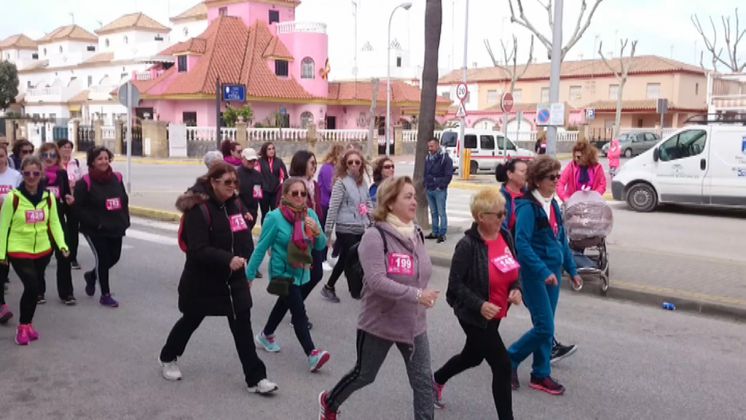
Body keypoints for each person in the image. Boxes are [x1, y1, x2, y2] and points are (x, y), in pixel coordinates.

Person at [318, 176, 439, 420]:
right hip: (379, 323)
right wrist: (416, 295)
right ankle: (329, 401)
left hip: (413, 324)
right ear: (390, 203)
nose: (414, 201)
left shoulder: (416, 233)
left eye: (414, 196)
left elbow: (419, 273)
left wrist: (421, 295)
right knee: (365, 374)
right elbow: (376, 281)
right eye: (407, 197)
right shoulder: (375, 236)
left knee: (424, 382)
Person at [432, 188, 522, 418]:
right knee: (502, 365)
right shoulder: (467, 246)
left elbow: (514, 269)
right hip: (473, 316)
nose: (504, 217)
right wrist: (480, 304)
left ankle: (436, 380)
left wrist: (516, 289)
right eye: (499, 214)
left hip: (497, 312)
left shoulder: (505, 236)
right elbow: (454, 287)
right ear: (481, 217)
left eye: (505, 213)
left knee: (472, 356)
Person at [507, 156, 583, 396]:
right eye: (552, 177)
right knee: (544, 327)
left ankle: (540, 373)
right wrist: (542, 271)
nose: (557, 180)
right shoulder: (528, 207)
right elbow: (522, 244)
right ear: (538, 180)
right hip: (535, 275)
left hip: (553, 273)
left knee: (545, 327)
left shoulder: (552, 203)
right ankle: (509, 358)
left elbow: (561, 239)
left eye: (558, 176)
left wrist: (571, 269)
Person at [246, 178, 331, 372]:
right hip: (282, 272)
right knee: (298, 311)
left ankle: (266, 335)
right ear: (285, 196)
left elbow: (321, 245)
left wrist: (317, 232)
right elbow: (261, 248)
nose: (300, 197)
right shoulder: (274, 218)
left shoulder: (310, 215)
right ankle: (312, 354)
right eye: (295, 193)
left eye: (303, 193)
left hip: (302, 272)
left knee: (284, 303)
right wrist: (248, 275)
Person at [0, 156, 68, 345]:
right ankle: (22, 327)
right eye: (27, 173)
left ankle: (28, 324)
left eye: (35, 173)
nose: (31, 177)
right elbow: (3, 226)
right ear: (21, 174)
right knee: (31, 286)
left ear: (41, 175)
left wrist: (62, 245)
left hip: (43, 250)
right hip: (18, 248)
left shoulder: (49, 199)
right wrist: (2, 253)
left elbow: (54, 223)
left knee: (35, 289)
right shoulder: (13, 198)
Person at [74, 147, 130, 308]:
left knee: (114, 257)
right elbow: (78, 208)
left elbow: (123, 200)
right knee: (103, 259)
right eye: (100, 159)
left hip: (115, 226)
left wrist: (125, 220)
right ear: (92, 162)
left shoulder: (117, 178)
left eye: (106, 158)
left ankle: (91, 276)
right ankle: (105, 294)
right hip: (95, 229)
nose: (104, 161)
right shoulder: (84, 183)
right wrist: (95, 223)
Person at [320, 149, 373, 303]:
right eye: (350, 162)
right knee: (355, 258)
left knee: (345, 259)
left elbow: (367, 203)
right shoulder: (340, 183)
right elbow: (333, 208)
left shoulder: (362, 182)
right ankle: (357, 290)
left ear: (361, 163)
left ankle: (329, 287)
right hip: (345, 227)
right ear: (345, 165)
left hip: (360, 226)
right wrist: (328, 233)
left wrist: (373, 220)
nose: (354, 165)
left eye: (357, 162)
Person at [37, 143, 76, 305]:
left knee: (64, 255)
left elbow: (65, 195)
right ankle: (38, 292)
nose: (49, 158)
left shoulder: (61, 174)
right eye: (45, 155)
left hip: (58, 220)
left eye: (52, 155)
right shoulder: (35, 174)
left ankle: (66, 293)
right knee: (40, 258)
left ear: (57, 157)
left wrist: (69, 200)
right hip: (40, 222)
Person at [0, 145, 22, 323]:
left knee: (4, 267)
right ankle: (2, 305)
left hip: (10, 228)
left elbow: (23, 199)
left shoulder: (15, 176)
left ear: (6, 156)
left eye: (1, 156)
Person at [317, 145, 345, 271]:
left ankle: (334, 254)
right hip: (325, 204)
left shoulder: (336, 168)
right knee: (325, 231)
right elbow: (330, 187)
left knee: (337, 231)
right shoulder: (328, 168)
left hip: (332, 204)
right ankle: (322, 259)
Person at [58, 139, 83, 270]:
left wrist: (75, 184)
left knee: (73, 229)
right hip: (59, 200)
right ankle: (60, 252)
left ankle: (73, 257)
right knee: (60, 228)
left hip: (73, 200)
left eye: (69, 147)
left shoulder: (75, 163)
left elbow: (82, 180)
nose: (67, 149)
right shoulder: (55, 164)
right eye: (64, 147)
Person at [424, 138, 453, 243]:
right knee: (433, 212)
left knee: (441, 212)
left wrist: (439, 185)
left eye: (431, 146)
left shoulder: (445, 158)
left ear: (437, 146)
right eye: (429, 146)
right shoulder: (428, 158)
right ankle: (435, 232)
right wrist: (426, 184)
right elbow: (425, 172)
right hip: (429, 189)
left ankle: (442, 233)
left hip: (439, 190)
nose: (430, 149)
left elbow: (448, 176)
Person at [495, 159, 529, 232]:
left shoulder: (529, 194)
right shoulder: (500, 198)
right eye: (522, 171)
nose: (526, 175)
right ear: (510, 174)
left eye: (527, 172)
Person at [258, 142, 287, 224]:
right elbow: (256, 177)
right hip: (264, 192)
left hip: (276, 192)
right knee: (265, 214)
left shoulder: (279, 161)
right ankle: (264, 231)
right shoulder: (259, 162)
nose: (272, 151)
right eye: (269, 149)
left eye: (273, 148)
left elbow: (284, 176)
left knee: (276, 214)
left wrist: (282, 190)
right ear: (264, 150)